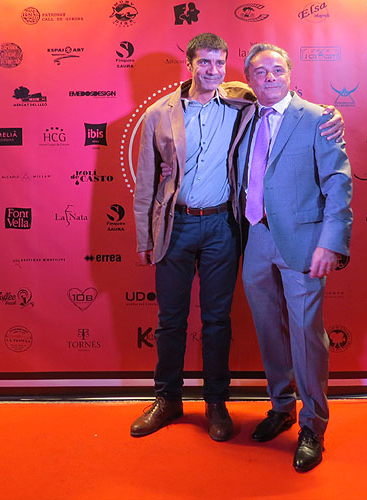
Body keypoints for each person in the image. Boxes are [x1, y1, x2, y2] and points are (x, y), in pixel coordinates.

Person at [131, 33, 343, 442]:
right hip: (176, 226)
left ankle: (216, 403)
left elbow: (285, 102)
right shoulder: (161, 113)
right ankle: (167, 399)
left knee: (217, 321)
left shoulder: (240, 103)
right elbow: (146, 181)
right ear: (189, 64)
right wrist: (144, 237)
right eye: (203, 62)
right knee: (170, 320)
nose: (211, 70)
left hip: (222, 228)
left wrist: (332, 114)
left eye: (218, 63)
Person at [233, 43, 353, 471]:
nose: (270, 77)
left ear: (290, 73)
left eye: (277, 70)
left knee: (306, 334)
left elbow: (338, 183)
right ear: (249, 79)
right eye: (260, 72)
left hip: (304, 242)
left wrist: (330, 243)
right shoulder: (242, 115)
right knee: (268, 330)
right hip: (255, 238)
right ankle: (281, 407)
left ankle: (313, 425)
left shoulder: (318, 118)